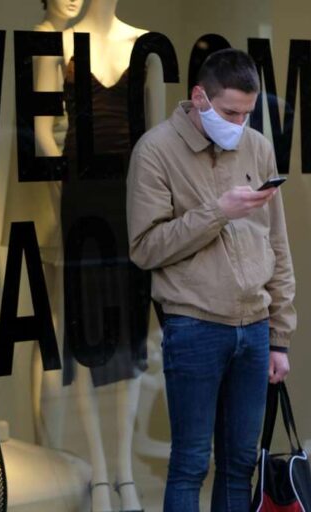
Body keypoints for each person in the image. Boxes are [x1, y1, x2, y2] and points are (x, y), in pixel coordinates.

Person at [126, 49, 296, 512]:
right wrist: (218, 212)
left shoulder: (257, 146)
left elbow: (277, 244)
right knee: (190, 463)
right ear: (199, 97)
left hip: (255, 326)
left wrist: (279, 336)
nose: (239, 124)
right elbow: (145, 247)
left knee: (240, 463)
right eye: (229, 113)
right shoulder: (156, 151)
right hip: (194, 324)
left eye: (246, 113)